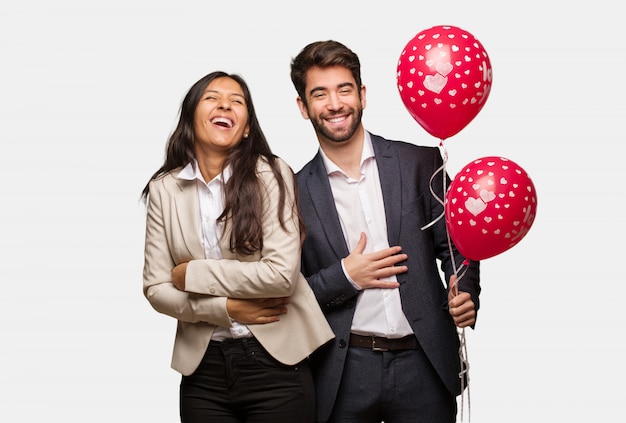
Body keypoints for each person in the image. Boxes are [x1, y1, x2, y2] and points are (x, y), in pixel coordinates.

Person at [289, 40, 482, 423]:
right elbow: (287, 290)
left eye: (344, 89)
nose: (335, 104)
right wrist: (346, 276)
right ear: (303, 107)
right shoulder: (291, 191)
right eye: (320, 93)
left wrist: (466, 292)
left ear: (361, 95)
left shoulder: (420, 161)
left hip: (424, 363)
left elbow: (458, 242)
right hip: (344, 369)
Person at [141, 71, 334, 423]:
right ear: (190, 117)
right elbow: (156, 289)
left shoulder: (273, 174)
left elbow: (280, 276)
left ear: (246, 128)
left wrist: (193, 273)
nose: (225, 104)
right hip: (204, 371)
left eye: (237, 101)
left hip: (277, 364)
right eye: (212, 97)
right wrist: (227, 308)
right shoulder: (164, 189)